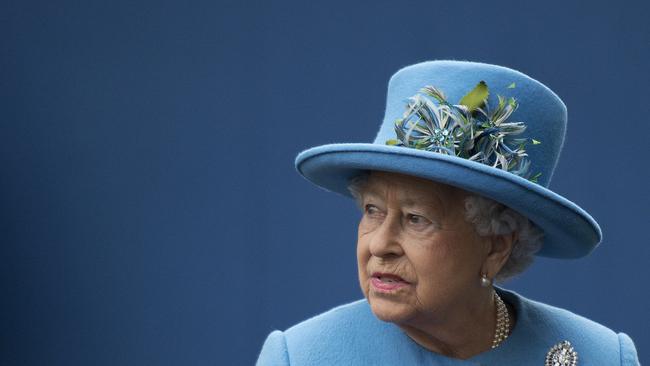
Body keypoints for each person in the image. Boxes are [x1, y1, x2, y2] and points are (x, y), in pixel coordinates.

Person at [256, 60, 640, 365]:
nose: (380, 244)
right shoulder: (301, 357)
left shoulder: (601, 357)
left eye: (415, 218)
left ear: (496, 247)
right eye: (373, 210)